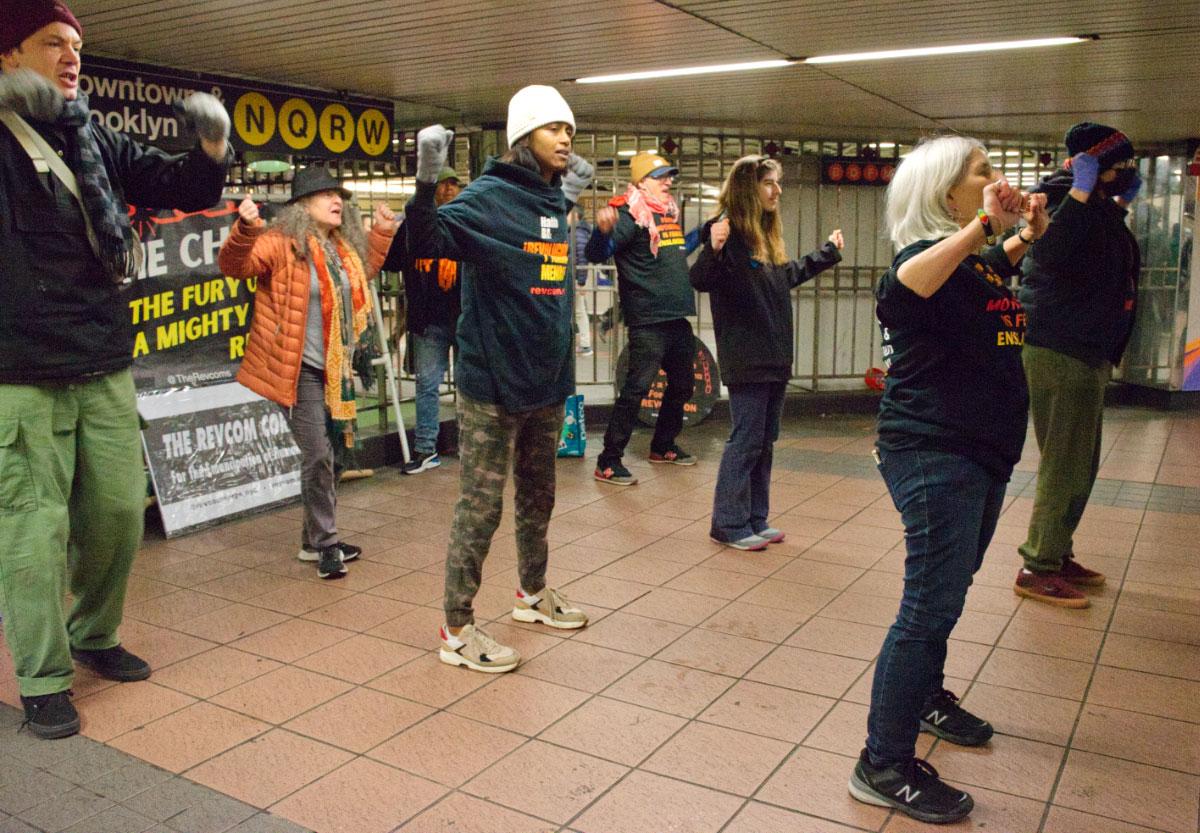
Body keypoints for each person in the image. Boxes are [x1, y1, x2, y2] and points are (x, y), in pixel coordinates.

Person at [0, 0, 231, 739]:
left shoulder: (90, 131)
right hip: (19, 370)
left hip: (101, 355)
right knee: (32, 532)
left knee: (115, 514)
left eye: (76, 44)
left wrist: (212, 144)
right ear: (8, 55)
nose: (71, 57)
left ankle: (94, 633)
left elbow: (180, 186)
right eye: (50, 43)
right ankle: (42, 674)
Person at [849, 136, 1048, 824]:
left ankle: (926, 695)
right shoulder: (920, 261)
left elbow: (986, 269)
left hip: (980, 451)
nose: (997, 178)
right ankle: (881, 762)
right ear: (946, 192)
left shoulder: (972, 264)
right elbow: (900, 291)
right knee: (928, 604)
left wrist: (1022, 237)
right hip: (934, 450)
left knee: (951, 587)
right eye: (983, 173)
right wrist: (987, 226)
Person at [405, 85, 594, 673]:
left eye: (568, 128)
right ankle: (456, 629)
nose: (565, 137)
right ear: (522, 138)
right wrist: (424, 184)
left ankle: (531, 596)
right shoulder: (488, 197)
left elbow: (547, 275)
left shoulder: (550, 198)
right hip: (493, 381)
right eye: (551, 128)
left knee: (540, 493)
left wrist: (563, 202)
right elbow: (425, 243)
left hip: (544, 377)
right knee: (481, 506)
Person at [218, 168, 397, 580]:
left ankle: (311, 540)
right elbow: (235, 265)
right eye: (326, 195)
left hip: (337, 371)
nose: (337, 201)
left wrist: (383, 233)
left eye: (339, 195)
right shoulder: (280, 245)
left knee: (333, 452)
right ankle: (327, 544)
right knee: (317, 453)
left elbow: (364, 271)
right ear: (302, 205)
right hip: (295, 369)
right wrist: (245, 229)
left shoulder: (341, 249)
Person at [1014, 123, 1141, 608]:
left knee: (1081, 463)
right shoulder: (1056, 196)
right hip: (1059, 345)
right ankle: (1036, 565)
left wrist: (1117, 205)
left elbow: (1099, 256)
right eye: (1120, 164)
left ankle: (1057, 551)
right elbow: (1047, 250)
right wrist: (1085, 192)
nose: (1125, 172)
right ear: (1089, 163)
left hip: (1085, 346)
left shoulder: (1094, 205)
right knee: (1064, 461)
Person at [690, 155, 843, 551]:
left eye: (778, 183)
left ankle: (755, 517)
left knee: (764, 441)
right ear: (749, 188)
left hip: (775, 355)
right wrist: (712, 246)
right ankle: (727, 523)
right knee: (745, 440)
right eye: (769, 183)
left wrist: (826, 253)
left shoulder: (764, 237)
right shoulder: (725, 232)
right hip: (747, 356)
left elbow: (784, 277)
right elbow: (700, 278)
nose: (777, 191)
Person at [586, 150, 696, 486]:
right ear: (642, 182)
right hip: (648, 319)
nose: (668, 182)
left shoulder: (666, 214)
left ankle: (662, 446)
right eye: (661, 176)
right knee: (636, 389)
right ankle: (608, 460)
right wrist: (601, 232)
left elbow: (679, 249)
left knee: (683, 385)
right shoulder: (629, 214)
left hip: (676, 317)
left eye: (669, 175)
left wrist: (705, 233)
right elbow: (595, 254)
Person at [382, 166, 463, 475]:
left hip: (463, 317)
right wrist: (387, 232)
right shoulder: (412, 228)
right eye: (443, 184)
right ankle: (426, 449)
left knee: (468, 386)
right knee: (427, 384)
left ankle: (469, 443)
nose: (449, 190)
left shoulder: (463, 223)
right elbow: (390, 261)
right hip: (429, 320)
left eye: (454, 184)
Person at [571, 207, 594, 356]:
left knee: (579, 312)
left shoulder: (577, 233)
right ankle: (584, 344)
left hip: (575, 279)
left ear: (575, 216)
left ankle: (585, 345)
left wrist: (581, 282)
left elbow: (581, 258)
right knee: (579, 312)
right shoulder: (578, 232)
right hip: (575, 277)